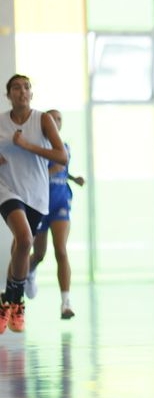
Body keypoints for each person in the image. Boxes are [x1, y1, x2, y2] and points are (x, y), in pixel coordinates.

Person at [0, 75, 68, 333]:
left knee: (20, 247)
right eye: (16, 88)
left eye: (26, 87)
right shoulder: (1, 121)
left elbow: (61, 156)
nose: (22, 91)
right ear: (9, 94)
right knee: (25, 239)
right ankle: (17, 302)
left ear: (31, 93)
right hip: (6, 189)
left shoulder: (43, 120)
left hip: (37, 195)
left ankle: (7, 300)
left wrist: (27, 146)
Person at [25, 109, 85, 319]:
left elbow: (62, 169)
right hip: (40, 204)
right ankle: (30, 271)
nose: (56, 122)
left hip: (61, 203)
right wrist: (52, 171)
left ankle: (65, 303)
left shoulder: (64, 147)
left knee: (60, 249)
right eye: (52, 118)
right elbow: (36, 173)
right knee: (39, 254)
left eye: (59, 119)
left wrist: (73, 178)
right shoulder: (37, 147)